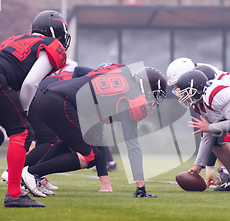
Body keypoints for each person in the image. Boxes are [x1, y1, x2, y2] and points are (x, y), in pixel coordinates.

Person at [0, 10, 70, 207]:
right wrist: (23, 112)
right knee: (23, 131)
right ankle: (14, 194)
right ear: (57, 32)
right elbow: (29, 84)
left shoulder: (16, 39)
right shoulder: (53, 45)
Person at [21, 64, 166, 198]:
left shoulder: (119, 72)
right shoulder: (132, 98)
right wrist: (141, 187)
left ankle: (32, 174)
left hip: (47, 97)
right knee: (91, 155)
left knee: (70, 143)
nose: (153, 102)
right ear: (145, 89)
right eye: (154, 96)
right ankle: (32, 172)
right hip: (60, 102)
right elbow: (132, 145)